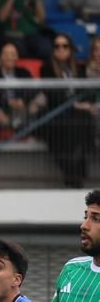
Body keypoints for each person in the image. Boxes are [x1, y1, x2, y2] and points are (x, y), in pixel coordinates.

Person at [38, 35, 89, 188]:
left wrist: (82, 104)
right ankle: (73, 173)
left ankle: (76, 172)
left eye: (65, 46)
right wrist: (74, 105)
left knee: (83, 123)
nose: (61, 49)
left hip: (79, 113)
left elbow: (86, 91)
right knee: (61, 132)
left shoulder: (79, 68)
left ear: (70, 49)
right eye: (57, 46)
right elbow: (51, 94)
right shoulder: (46, 68)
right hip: (57, 113)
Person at [0, 42, 41, 131]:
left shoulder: (24, 72)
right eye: (6, 54)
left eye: (13, 54)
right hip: (1, 110)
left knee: (41, 97)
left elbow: (33, 90)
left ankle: (22, 125)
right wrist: (8, 102)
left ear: (17, 57)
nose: (10, 57)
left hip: (21, 110)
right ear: (0, 57)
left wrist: (22, 100)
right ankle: (9, 125)